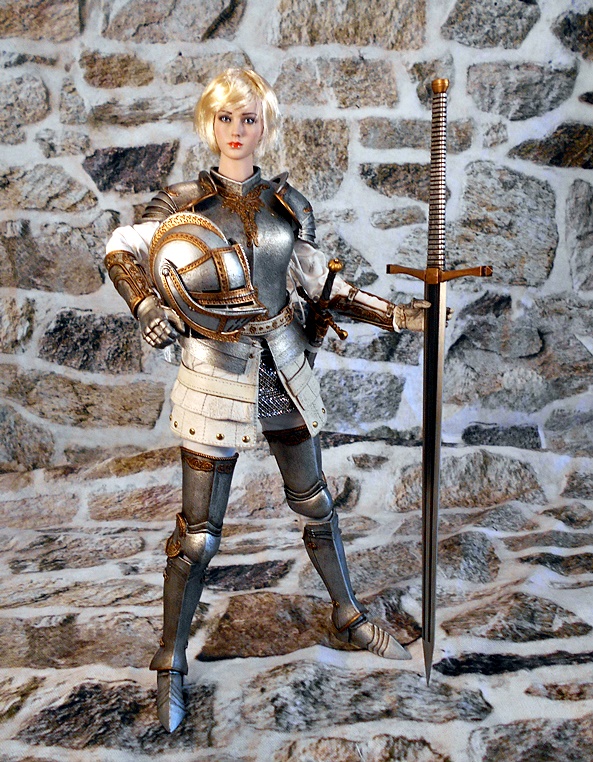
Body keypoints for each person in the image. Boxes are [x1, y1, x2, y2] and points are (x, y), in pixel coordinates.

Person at [104, 68, 428, 732]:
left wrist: (399, 315)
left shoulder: (287, 205)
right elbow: (122, 252)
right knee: (197, 537)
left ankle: (347, 615)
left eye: (248, 118)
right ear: (209, 123)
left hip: (282, 362)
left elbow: (319, 285)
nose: (236, 130)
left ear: (264, 126)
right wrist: (146, 307)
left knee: (316, 503)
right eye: (225, 118)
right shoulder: (179, 205)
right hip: (215, 373)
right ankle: (170, 662)